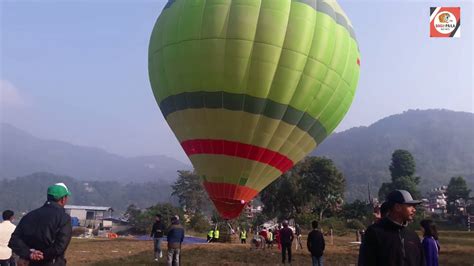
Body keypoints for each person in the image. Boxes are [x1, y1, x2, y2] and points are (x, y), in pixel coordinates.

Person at [9, 183, 72, 266]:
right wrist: (42, 255)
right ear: (63, 199)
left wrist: (29, 254)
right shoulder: (64, 218)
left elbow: (14, 240)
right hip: (51, 263)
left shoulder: (29, 216)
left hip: (29, 262)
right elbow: (60, 247)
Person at [358, 190, 425, 266]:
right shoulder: (375, 233)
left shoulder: (412, 236)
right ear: (397, 207)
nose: (414, 210)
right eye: (410, 206)